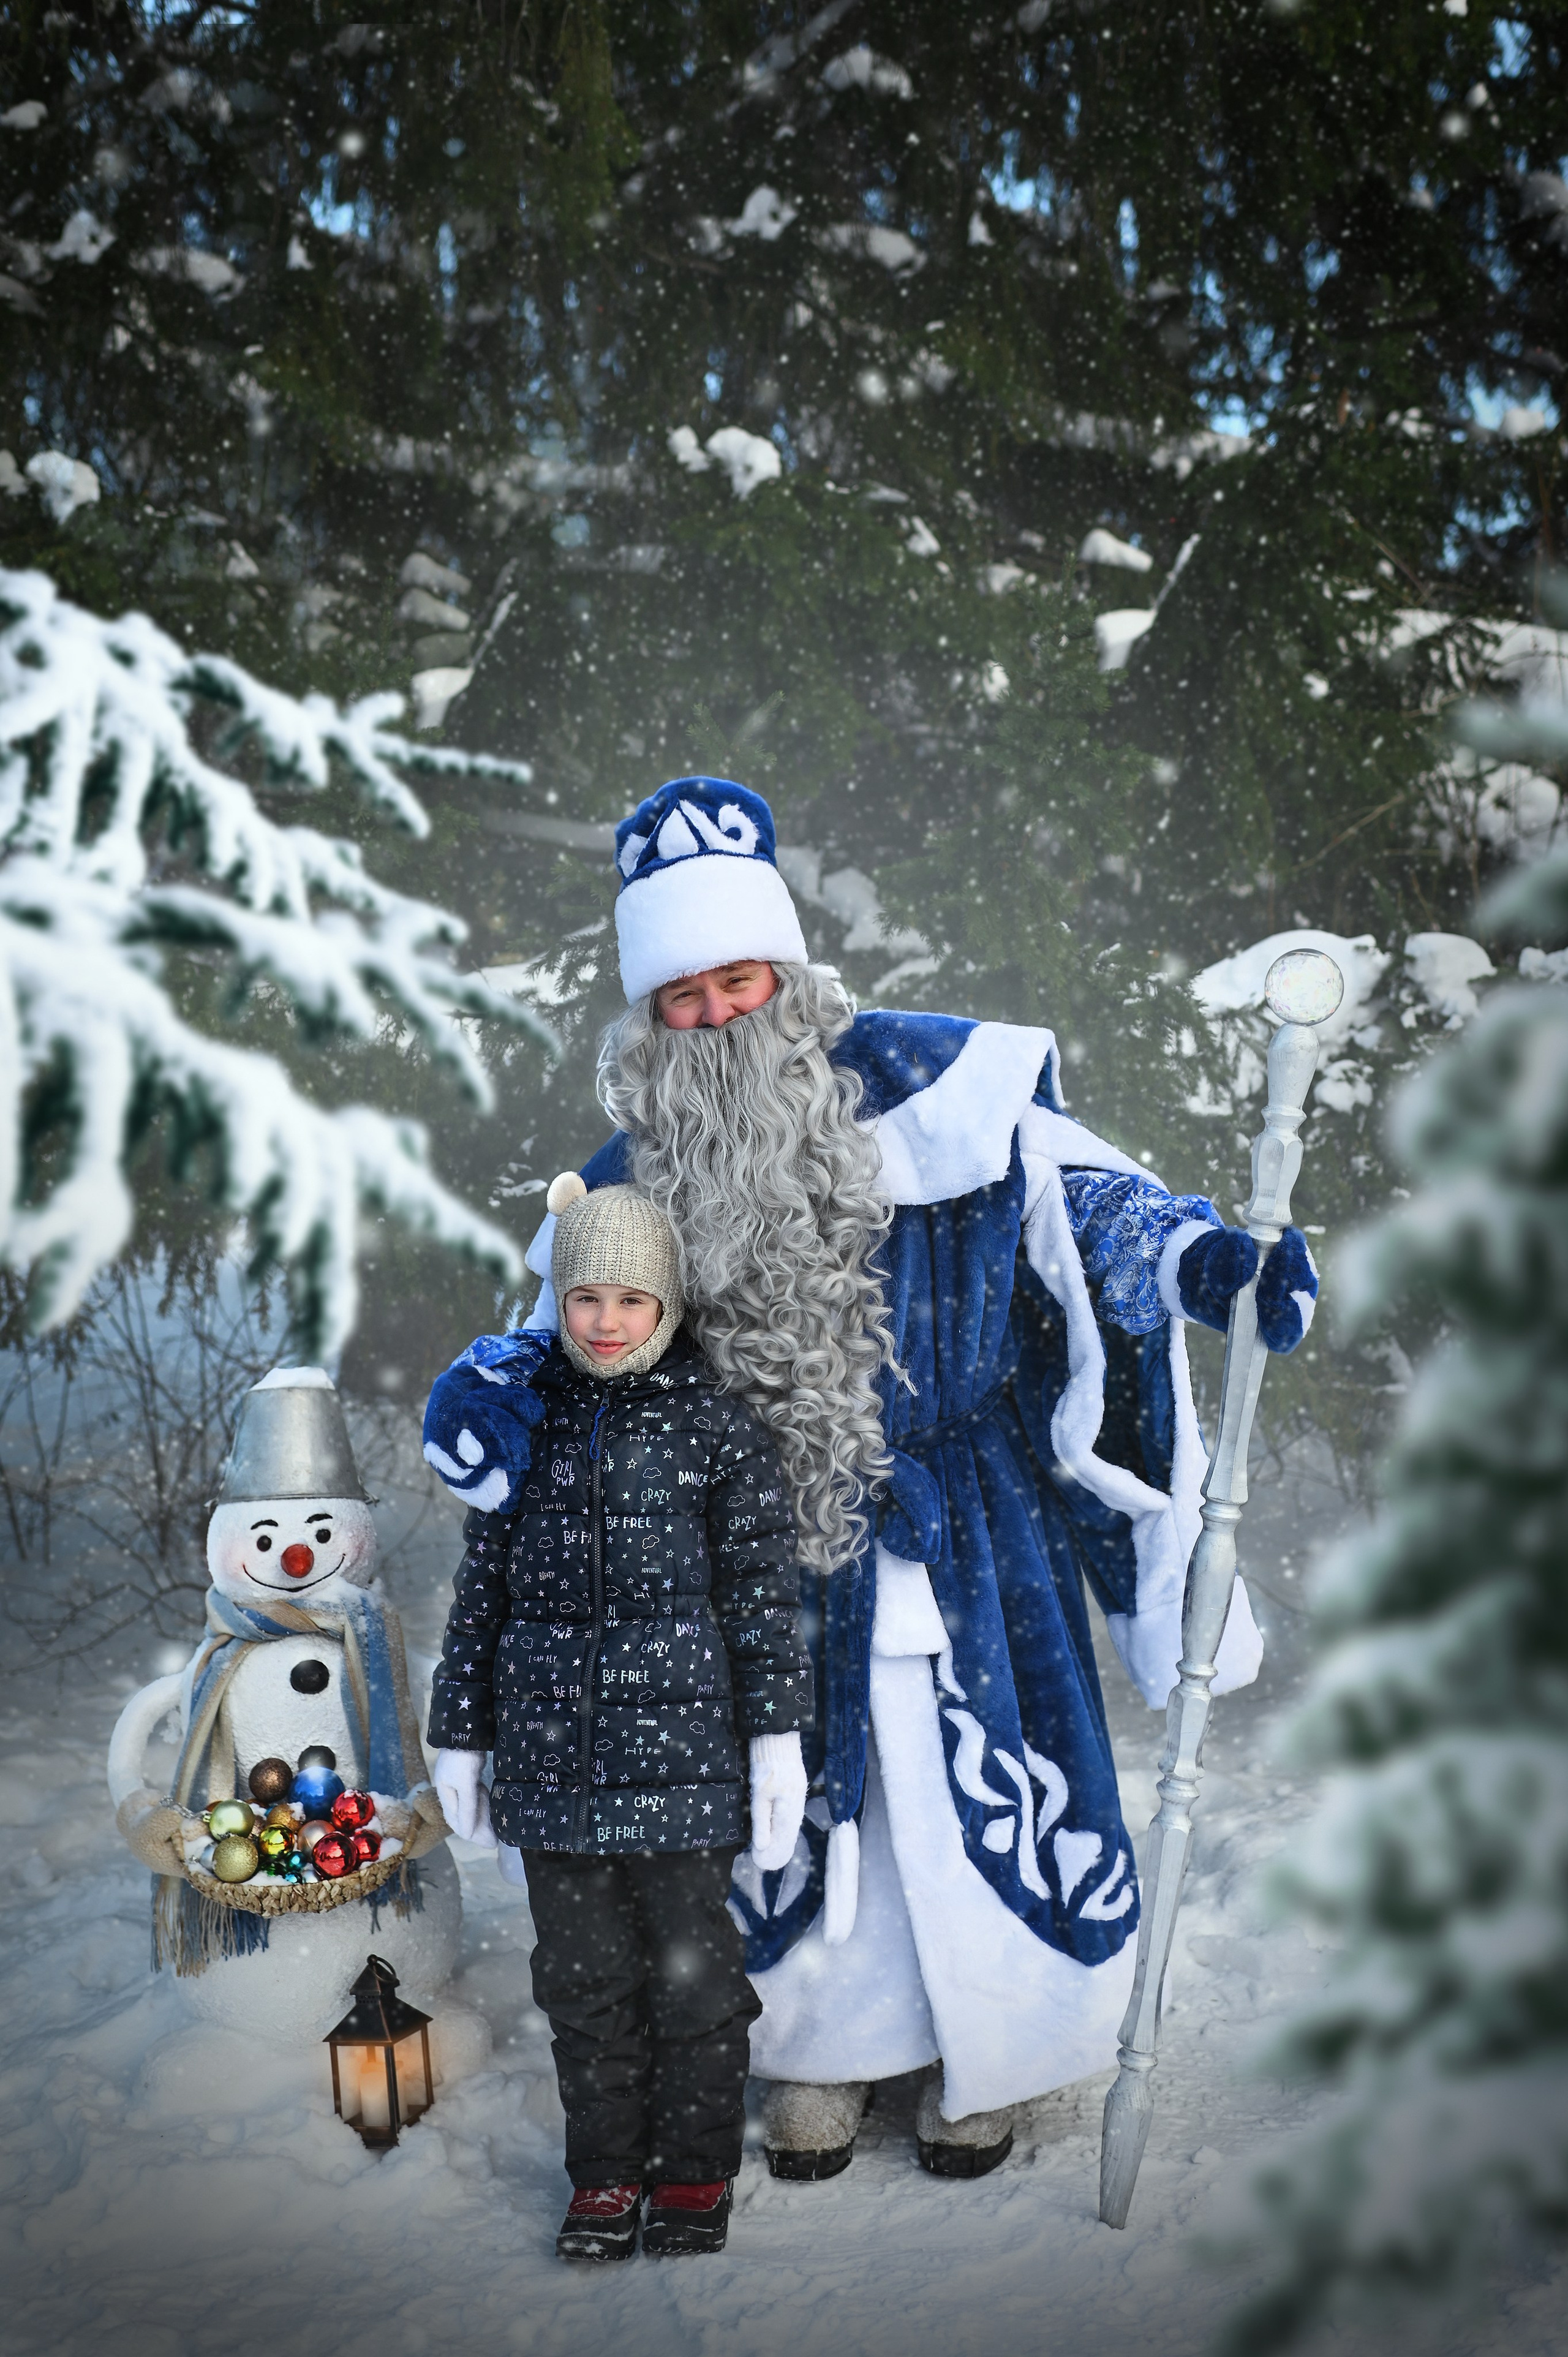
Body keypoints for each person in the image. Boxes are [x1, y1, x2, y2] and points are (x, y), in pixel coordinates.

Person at [423, 774, 1318, 2185]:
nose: (719, 1016)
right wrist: (494, 1389)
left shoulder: (943, 1085)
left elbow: (1083, 1200)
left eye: (739, 979)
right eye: (683, 997)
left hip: (967, 1526)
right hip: (762, 1544)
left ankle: (992, 2064)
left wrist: (1202, 1261)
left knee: (961, 1798)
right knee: (808, 1801)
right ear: (648, 1017)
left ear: (786, 969)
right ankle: (826, 2056)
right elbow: (571, 1320)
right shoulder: (640, 1164)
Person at [424, 1177, 812, 2259]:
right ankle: (604, 2177)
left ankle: (691, 2174)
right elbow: (482, 1591)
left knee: (693, 1982)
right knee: (584, 1985)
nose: (603, 1321)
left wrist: (775, 1741)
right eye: (583, 1296)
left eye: (629, 1300)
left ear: (668, 1306)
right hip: (554, 1769)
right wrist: (461, 1728)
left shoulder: (716, 1425)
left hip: (684, 1771)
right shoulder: (522, 1419)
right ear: (558, 1297)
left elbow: (759, 1597)